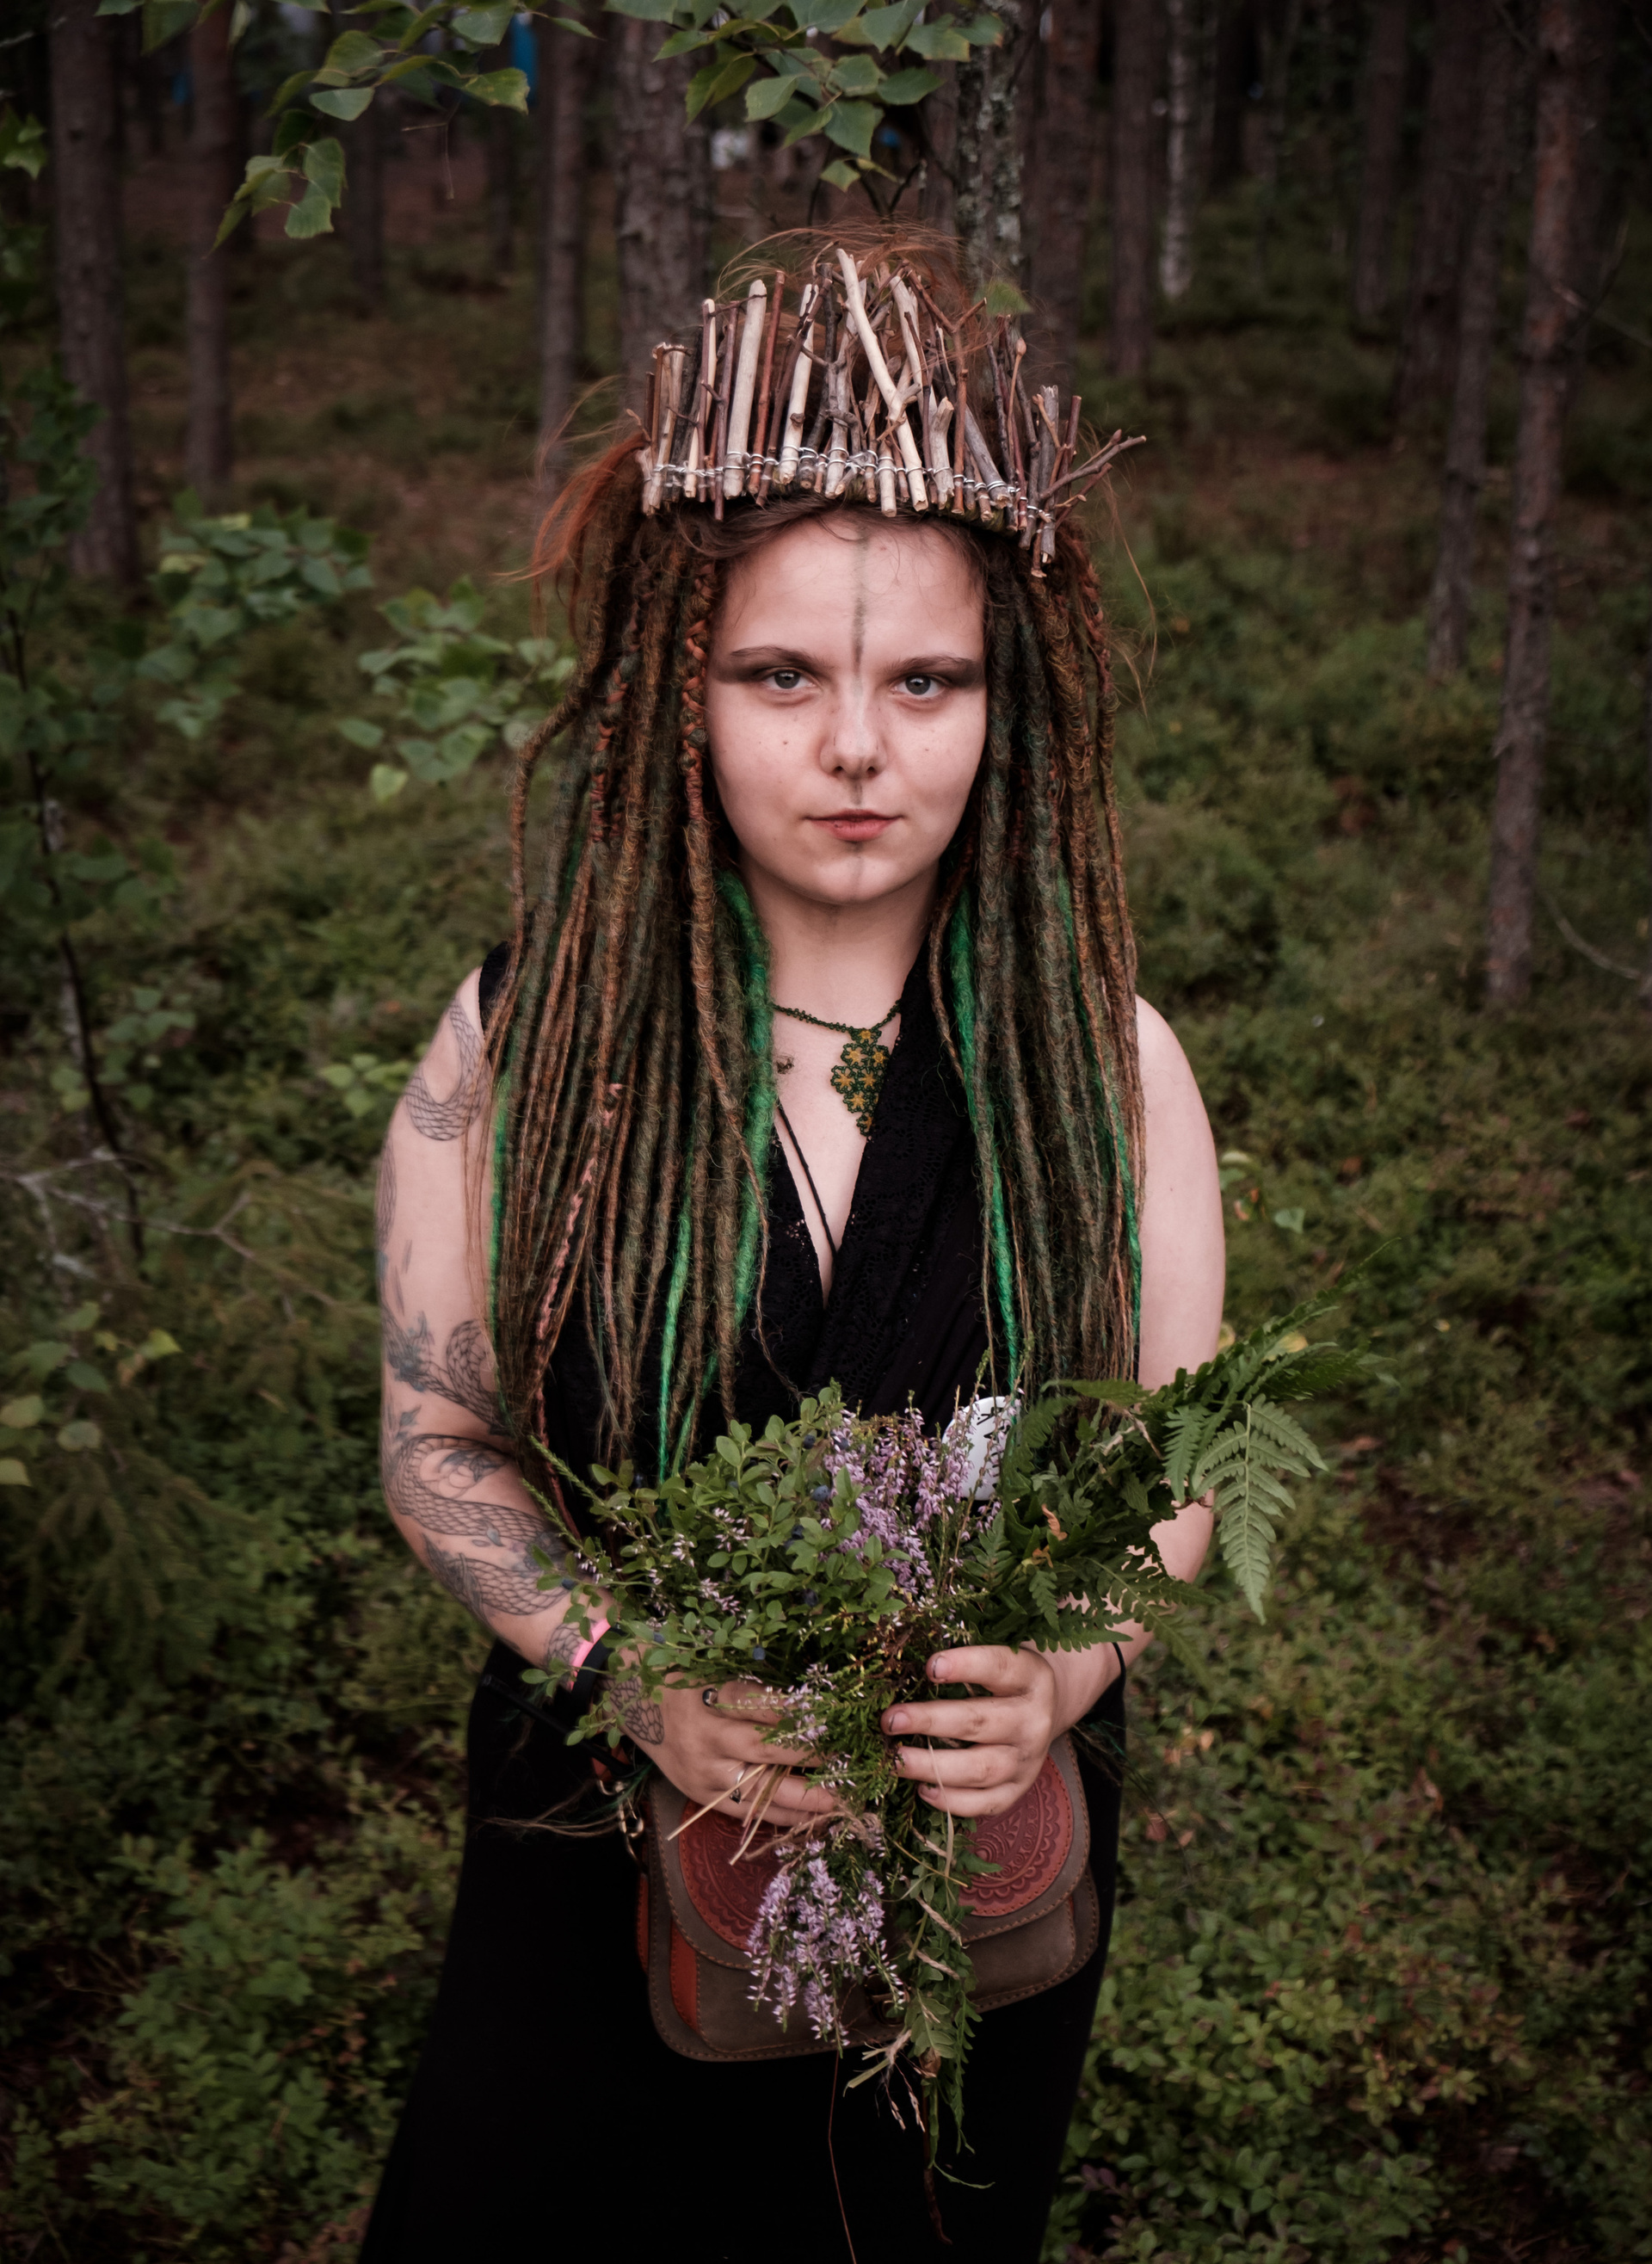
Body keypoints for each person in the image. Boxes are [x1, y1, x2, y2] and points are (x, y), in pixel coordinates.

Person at [361, 234, 1224, 2263]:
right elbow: (434, 1432)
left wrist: (1060, 1667)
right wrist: (631, 1664)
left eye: (925, 680)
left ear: (1003, 705)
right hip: (596, 1850)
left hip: (970, 1873)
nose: (857, 745)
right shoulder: (532, 1040)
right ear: (686, 684)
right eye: (783, 675)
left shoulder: (1104, 1063)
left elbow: (1180, 1450)